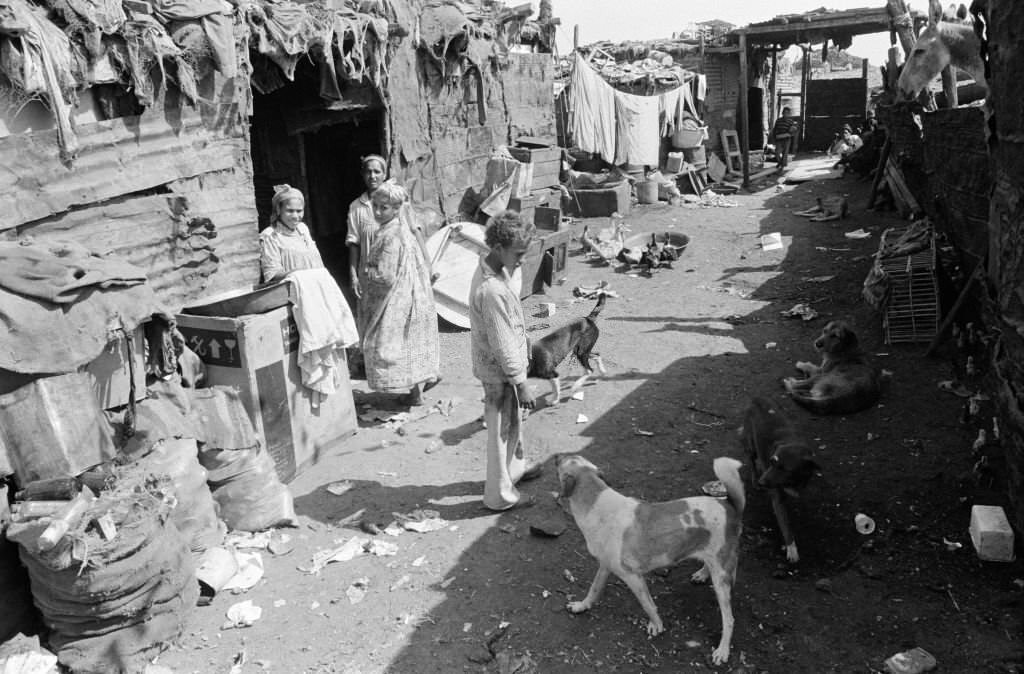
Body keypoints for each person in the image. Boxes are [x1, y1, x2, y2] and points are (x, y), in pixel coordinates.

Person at [469, 210, 543, 511]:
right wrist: (521, 382)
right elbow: (501, 343)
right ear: (499, 248)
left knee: (512, 425)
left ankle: (514, 470)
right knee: (500, 433)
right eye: (519, 253)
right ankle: (498, 496)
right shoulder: (492, 291)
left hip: (501, 369)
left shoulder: (494, 270)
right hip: (499, 373)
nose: (522, 259)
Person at [360, 182, 441, 406]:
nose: (377, 211)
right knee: (411, 340)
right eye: (374, 206)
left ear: (396, 209)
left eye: (383, 208)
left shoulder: (390, 234)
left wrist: (369, 274)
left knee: (387, 341)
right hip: (414, 292)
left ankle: (417, 389)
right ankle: (418, 390)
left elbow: (386, 276)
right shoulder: (398, 228)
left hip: (398, 296)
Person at [259, 185, 325, 283]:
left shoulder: (302, 229)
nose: (295, 216)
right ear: (278, 210)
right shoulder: (270, 236)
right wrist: (299, 273)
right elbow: (272, 274)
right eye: (290, 211)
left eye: (299, 211)